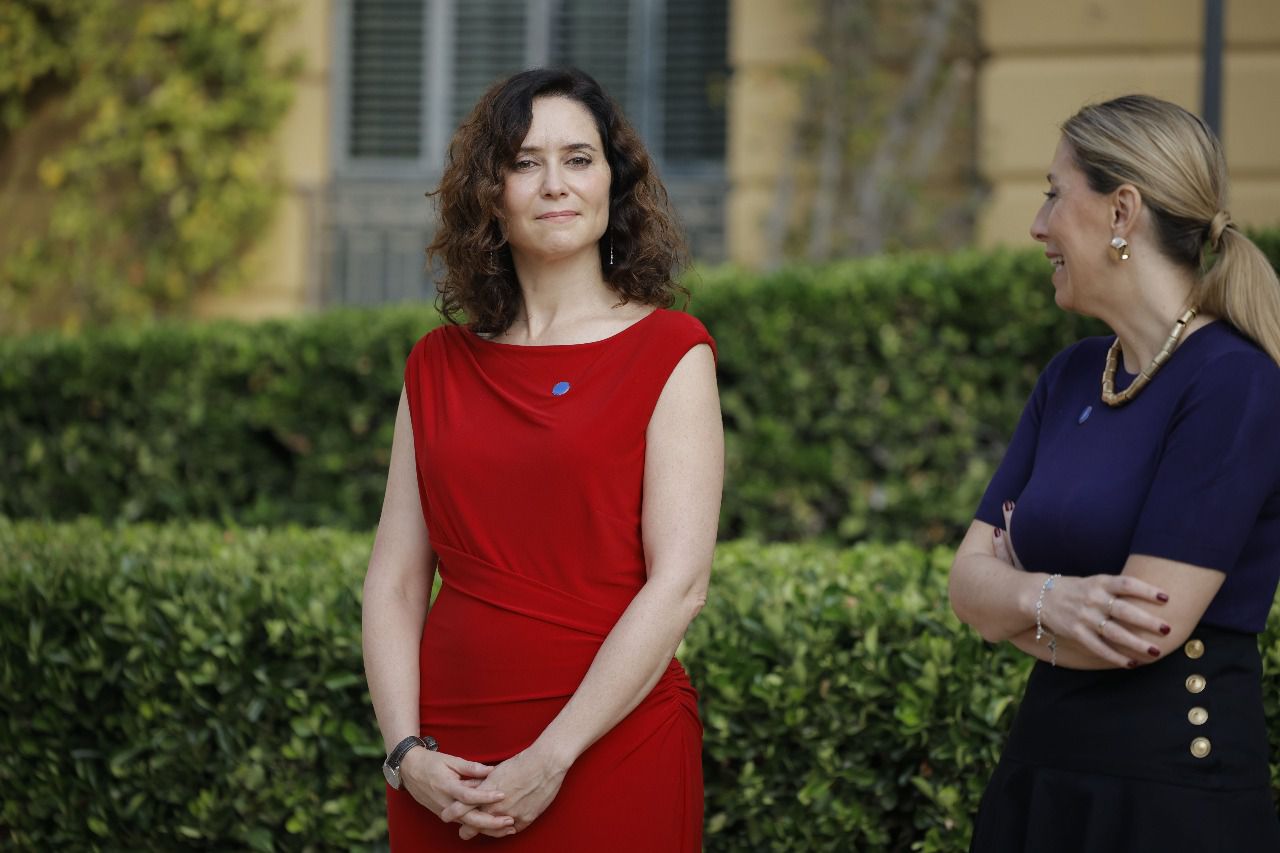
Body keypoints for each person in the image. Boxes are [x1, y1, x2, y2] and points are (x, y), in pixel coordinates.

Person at [360, 67, 722, 851]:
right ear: (490, 194)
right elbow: (394, 579)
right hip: (444, 770)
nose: (555, 184)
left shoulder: (671, 350)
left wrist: (550, 757)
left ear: (613, 183)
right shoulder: (435, 365)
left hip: (609, 747)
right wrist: (404, 753)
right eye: (525, 162)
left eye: (578, 159)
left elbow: (680, 585)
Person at [948, 94, 1280, 852]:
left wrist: (1013, 604)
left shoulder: (1233, 382)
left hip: (1168, 798)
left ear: (1121, 210)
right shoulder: (1070, 376)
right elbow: (965, 584)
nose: (1038, 226)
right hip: (1040, 775)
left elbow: (1143, 631)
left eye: (1053, 194)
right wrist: (1051, 599)